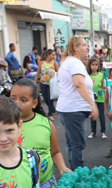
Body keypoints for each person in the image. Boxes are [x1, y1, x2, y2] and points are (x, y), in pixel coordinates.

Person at [56, 36, 98, 170]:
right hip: (73, 110)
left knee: (72, 144)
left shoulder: (69, 62)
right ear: (75, 47)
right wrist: (93, 105)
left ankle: (74, 170)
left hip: (69, 109)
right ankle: (77, 173)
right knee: (77, 145)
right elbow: (79, 84)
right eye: (84, 45)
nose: (87, 48)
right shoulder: (74, 63)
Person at [35, 49, 59, 119]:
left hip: (51, 84)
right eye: (53, 55)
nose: (55, 56)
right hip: (43, 83)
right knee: (45, 98)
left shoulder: (55, 63)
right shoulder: (41, 63)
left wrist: (54, 74)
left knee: (49, 98)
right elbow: (38, 73)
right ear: (48, 55)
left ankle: (50, 113)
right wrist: (35, 81)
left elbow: (59, 73)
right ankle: (53, 110)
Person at [87, 57, 107, 140]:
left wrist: (106, 88)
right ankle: (93, 131)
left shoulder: (101, 74)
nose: (94, 67)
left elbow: (103, 85)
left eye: (96, 65)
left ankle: (103, 131)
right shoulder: (88, 76)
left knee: (101, 115)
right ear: (90, 66)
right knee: (93, 115)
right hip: (92, 98)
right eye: (93, 65)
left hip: (100, 97)